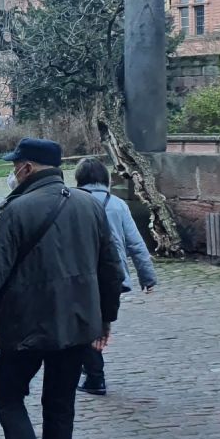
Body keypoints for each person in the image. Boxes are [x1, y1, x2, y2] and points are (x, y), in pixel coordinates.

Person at [0, 138, 122, 439]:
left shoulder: (17, 210)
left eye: (16, 164)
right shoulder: (89, 205)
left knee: (7, 395)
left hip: (25, 325)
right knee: (59, 407)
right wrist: (104, 319)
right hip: (75, 326)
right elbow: (111, 268)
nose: (13, 170)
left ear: (29, 168)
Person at [74, 158, 157, 396]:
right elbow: (136, 244)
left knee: (85, 322)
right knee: (98, 321)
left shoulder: (73, 201)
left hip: (83, 273)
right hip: (113, 275)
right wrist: (147, 277)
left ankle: (94, 375)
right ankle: (91, 371)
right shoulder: (118, 204)